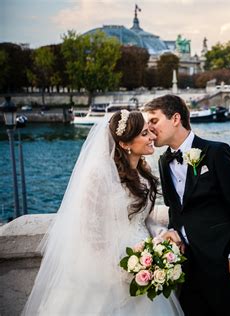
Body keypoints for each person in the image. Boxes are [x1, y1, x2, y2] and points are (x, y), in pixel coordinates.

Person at [23, 111, 184, 315]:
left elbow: (144, 220)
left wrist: (162, 235)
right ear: (125, 144)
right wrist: (123, 270)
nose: (152, 137)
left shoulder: (144, 173)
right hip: (110, 271)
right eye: (145, 133)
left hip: (146, 262)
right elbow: (91, 232)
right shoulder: (98, 177)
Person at [144, 95, 230, 316]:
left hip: (223, 265)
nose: (149, 128)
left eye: (154, 121)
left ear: (175, 118)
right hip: (187, 268)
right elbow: (175, 208)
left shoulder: (217, 152)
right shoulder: (164, 162)